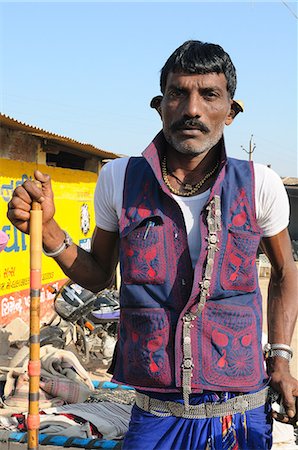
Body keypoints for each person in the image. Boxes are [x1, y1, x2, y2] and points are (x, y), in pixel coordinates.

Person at [7, 40, 298, 449]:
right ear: (160, 105)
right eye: (179, 94)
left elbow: (286, 273)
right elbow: (98, 275)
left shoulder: (259, 184)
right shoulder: (119, 179)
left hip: (240, 411)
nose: (192, 109)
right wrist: (50, 229)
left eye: (209, 95)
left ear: (230, 112)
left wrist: (281, 359)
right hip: (156, 412)